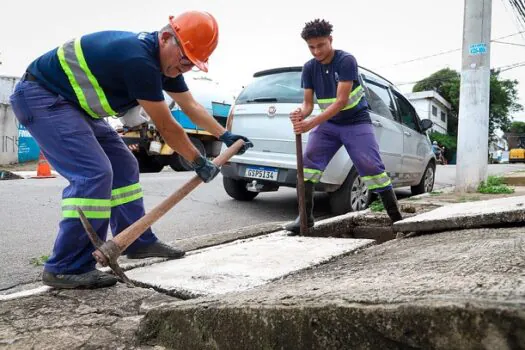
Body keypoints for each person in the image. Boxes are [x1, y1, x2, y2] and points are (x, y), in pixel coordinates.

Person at [9, 11, 253, 289]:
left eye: (193, 64)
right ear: (165, 38)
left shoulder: (167, 63)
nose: (185, 68)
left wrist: (226, 134)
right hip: (42, 96)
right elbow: (167, 125)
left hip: (73, 106)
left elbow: (191, 106)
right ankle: (66, 266)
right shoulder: (138, 60)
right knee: (95, 173)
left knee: (124, 164)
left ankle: (135, 240)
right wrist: (198, 160)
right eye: (184, 59)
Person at [285, 19, 402, 234]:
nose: (316, 51)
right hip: (329, 124)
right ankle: (305, 218)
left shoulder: (346, 60)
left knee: (371, 168)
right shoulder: (309, 68)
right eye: (311, 47)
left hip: (356, 122)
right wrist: (300, 114)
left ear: (330, 40)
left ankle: (397, 220)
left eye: (320, 45)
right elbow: (308, 104)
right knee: (308, 165)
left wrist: (311, 123)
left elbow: (340, 102)